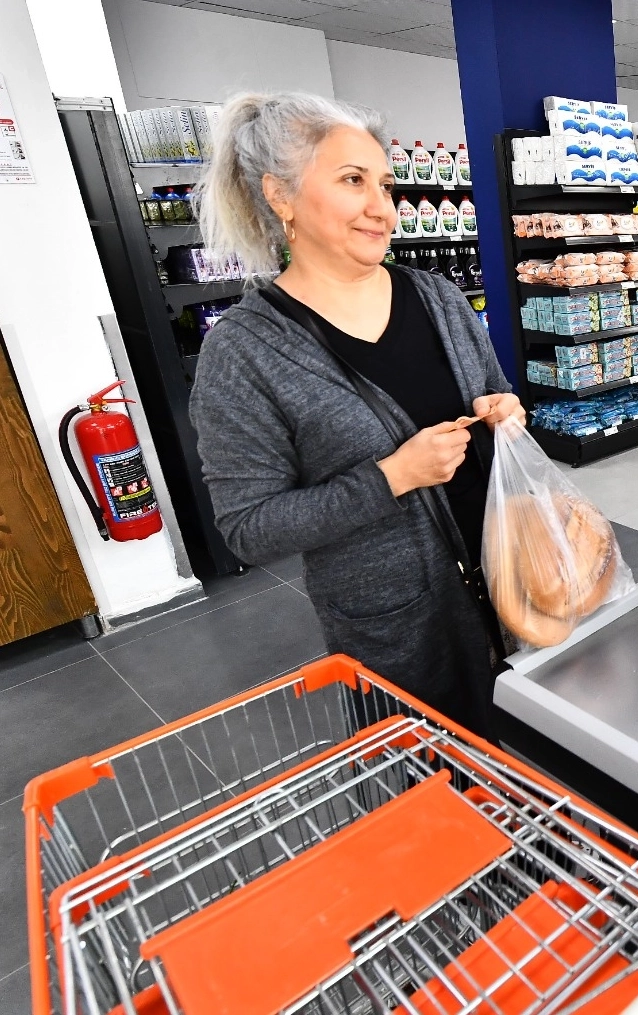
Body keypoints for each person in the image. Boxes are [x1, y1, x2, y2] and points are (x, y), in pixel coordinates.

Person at [188, 93, 523, 732]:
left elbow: (495, 393)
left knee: (540, 761)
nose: (382, 208)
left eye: (385, 185)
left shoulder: (438, 296)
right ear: (280, 197)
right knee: (436, 776)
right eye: (352, 181)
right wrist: (393, 476)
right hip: (401, 628)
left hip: (511, 581)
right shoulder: (245, 351)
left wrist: (503, 413)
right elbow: (250, 528)